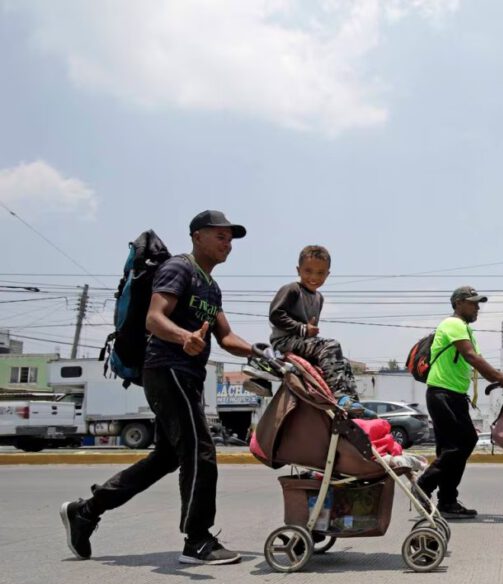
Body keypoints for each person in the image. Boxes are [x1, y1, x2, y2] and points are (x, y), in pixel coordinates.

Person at [60, 210, 255, 565]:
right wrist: (184, 337)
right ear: (197, 236)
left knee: (167, 457)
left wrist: (261, 354)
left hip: (188, 375)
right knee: (199, 450)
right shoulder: (179, 269)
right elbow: (154, 317)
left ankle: (86, 511)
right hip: (167, 368)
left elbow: (226, 337)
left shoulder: (211, 287)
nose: (227, 244)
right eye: (220, 236)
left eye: (230, 239)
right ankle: (197, 540)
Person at [415, 286, 503, 519]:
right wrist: (501, 378)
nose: (477, 308)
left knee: (450, 448)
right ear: (459, 303)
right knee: (463, 442)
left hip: (453, 395)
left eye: (478, 303)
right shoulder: (452, 324)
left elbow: (476, 360)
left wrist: (502, 378)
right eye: (473, 303)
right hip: (443, 394)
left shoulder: (465, 329)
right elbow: (471, 357)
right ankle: (424, 485)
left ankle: (447, 501)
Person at [267, 245, 366, 414]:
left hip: (303, 342)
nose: (314, 277)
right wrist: (303, 329)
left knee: (341, 361)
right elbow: (275, 315)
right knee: (332, 345)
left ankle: (353, 403)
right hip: (284, 341)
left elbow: (311, 330)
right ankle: (340, 396)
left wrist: (309, 331)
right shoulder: (292, 290)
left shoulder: (319, 298)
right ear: (298, 270)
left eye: (320, 273)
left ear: (327, 274)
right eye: (308, 271)